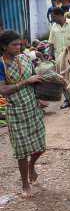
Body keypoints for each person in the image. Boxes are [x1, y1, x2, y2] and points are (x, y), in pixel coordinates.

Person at [0, 30, 47, 198]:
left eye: (19, 44)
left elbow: (36, 78)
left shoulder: (24, 58)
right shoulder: (1, 64)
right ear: (4, 46)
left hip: (32, 107)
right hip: (16, 111)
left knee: (40, 144)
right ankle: (25, 184)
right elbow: (3, 90)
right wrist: (25, 82)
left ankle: (32, 166)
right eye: (14, 45)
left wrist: (50, 85)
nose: (18, 47)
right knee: (21, 150)